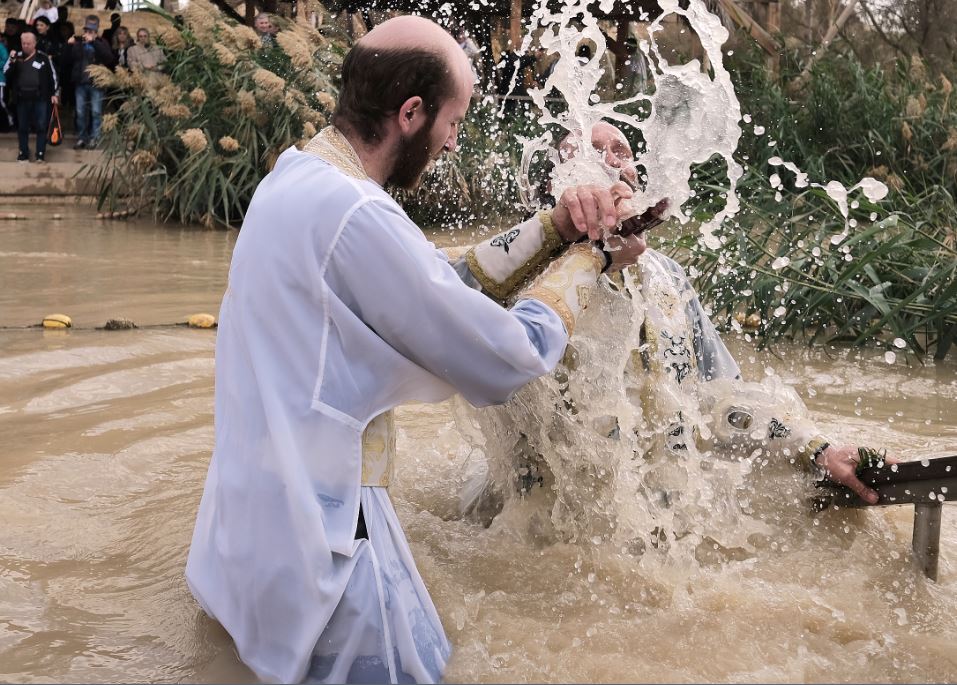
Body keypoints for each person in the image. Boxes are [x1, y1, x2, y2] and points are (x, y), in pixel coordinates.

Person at [185, 14, 649, 685]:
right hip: (326, 546)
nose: (453, 144)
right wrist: (593, 256)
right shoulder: (358, 215)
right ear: (410, 112)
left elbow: (443, 288)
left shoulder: (300, 177)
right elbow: (507, 355)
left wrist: (552, 228)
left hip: (249, 528)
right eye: (452, 123)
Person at [457, 121, 889, 538]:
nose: (610, 161)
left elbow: (721, 397)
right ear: (555, 188)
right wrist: (569, 237)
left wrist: (816, 449)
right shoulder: (515, 270)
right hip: (522, 528)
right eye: (590, 152)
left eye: (621, 152)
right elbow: (441, 308)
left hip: (639, 526)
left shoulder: (667, 277)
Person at [4, 30, 59, 163]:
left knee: (41, 126)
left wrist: (54, 94)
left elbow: (53, 77)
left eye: (28, 43)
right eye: (23, 43)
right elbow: (6, 74)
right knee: (22, 127)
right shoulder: (16, 56)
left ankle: (40, 154)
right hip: (22, 97)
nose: (26, 46)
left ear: (34, 43)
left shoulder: (43, 57)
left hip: (40, 97)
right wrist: (11, 61)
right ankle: (23, 153)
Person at [67, 15, 116, 149]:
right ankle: (81, 137)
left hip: (96, 83)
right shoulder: (79, 43)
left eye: (91, 31)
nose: (88, 33)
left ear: (97, 31)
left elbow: (109, 58)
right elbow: (73, 58)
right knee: (80, 111)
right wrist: (74, 44)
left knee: (96, 112)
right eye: (87, 30)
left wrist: (94, 42)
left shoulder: (102, 42)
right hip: (80, 82)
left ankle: (95, 138)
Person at [0, 35, 14, 132]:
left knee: (1, 102)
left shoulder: (1, 47)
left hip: (0, 80)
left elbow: (6, 61)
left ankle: (9, 122)